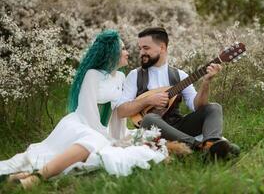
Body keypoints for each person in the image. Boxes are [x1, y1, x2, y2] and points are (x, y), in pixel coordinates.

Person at [0, 30, 167, 189]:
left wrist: (118, 136)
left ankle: (27, 176)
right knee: (95, 141)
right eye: (122, 48)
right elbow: (89, 111)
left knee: (138, 139)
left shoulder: (121, 77)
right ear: (112, 52)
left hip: (102, 128)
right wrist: (104, 138)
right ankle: (35, 178)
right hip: (81, 124)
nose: (127, 52)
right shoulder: (92, 75)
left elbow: (117, 112)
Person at [117, 27, 240, 159]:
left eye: (146, 48)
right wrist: (148, 100)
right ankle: (201, 146)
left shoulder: (180, 75)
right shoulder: (135, 75)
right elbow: (121, 111)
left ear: (162, 48)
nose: (141, 52)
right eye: (140, 48)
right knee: (149, 118)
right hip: (152, 130)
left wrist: (206, 83)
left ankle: (212, 142)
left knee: (214, 107)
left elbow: (197, 107)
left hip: (178, 127)